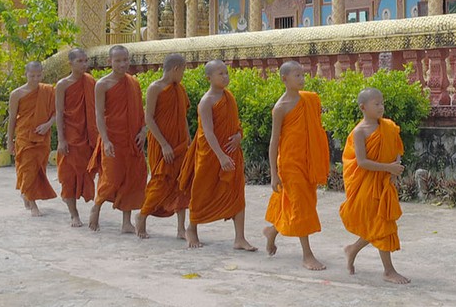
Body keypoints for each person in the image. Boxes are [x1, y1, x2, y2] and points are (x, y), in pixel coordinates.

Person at [178, 60, 257, 251]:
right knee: (202, 190)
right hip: (211, 154)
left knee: (237, 191)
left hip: (231, 152)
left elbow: (236, 124)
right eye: (220, 73)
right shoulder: (206, 102)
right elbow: (208, 132)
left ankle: (240, 238)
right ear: (209, 78)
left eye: (226, 72)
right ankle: (192, 228)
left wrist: (239, 136)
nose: (225, 76)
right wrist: (220, 156)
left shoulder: (229, 97)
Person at [263, 61, 330, 270]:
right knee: (301, 205)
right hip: (290, 164)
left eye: (303, 75)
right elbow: (274, 142)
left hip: (307, 160)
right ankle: (307, 255)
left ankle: (272, 232)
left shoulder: (308, 100)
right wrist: (274, 174)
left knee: (300, 202)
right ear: (285, 79)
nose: (302, 79)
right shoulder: (280, 108)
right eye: (297, 76)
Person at [340, 88, 408, 284]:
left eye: (382, 103)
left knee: (380, 223)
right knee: (381, 224)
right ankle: (388, 271)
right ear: (363, 107)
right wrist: (388, 168)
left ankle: (352, 249)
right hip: (367, 183)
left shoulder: (388, 127)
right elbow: (361, 162)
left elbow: (396, 147)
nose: (381, 107)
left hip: (385, 181)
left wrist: (394, 168)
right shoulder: (359, 132)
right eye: (376, 104)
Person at [88, 45, 147, 233]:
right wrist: (105, 140)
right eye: (118, 60)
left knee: (132, 177)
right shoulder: (102, 84)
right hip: (113, 137)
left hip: (132, 138)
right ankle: (97, 206)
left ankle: (126, 222)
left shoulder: (133, 83)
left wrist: (144, 130)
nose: (123, 64)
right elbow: (98, 114)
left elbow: (140, 110)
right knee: (111, 177)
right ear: (109, 62)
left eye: (125, 60)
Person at [135, 54, 192, 240]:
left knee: (182, 183)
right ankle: (142, 216)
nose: (183, 74)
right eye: (183, 70)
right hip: (161, 145)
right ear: (176, 69)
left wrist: (189, 140)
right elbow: (148, 119)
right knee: (160, 181)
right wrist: (164, 144)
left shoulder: (179, 89)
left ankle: (181, 229)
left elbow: (183, 116)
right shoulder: (155, 88)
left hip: (181, 143)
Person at [54, 48, 98, 227]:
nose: (84, 64)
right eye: (80, 61)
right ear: (70, 63)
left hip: (88, 137)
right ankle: (74, 214)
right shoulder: (63, 85)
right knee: (68, 176)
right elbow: (59, 113)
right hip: (71, 136)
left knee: (88, 173)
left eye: (86, 60)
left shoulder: (91, 82)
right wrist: (61, 139)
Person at [7, 61, 57, 217]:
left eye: (38, 75)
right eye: (32, 75)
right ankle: (33, 203)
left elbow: (56, 113)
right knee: (27, 168)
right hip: (24, 135)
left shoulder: (48, 91)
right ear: (25, 74)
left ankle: (26, 192)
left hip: (42, 136)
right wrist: (10, 141)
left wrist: (48, 125)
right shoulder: (17, 94)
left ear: (42, 74)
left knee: (37, 169)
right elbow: (12, 119)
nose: (35, 79)